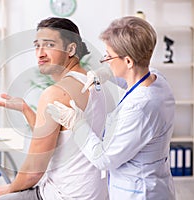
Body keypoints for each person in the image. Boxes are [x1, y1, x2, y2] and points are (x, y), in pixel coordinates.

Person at [46, 16, 176, 200]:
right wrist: (105, 74)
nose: (105, 60)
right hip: (155, 184)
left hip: (138, 193)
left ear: (129, 61)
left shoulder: (139, 108)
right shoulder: (158, 80)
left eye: (109, 55)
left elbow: (104, 159)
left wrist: (76, 123)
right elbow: (134, 79)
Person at [0, 17, 109, 200]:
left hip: (64, 195)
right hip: (93, 192)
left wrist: (9, 188)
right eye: (37, 46)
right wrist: (26, 109)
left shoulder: (56, 93)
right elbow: (58, 138)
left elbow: (34, 171)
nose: (40, 53)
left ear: (71, 49)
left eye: (49, 45)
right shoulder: (93, 82)